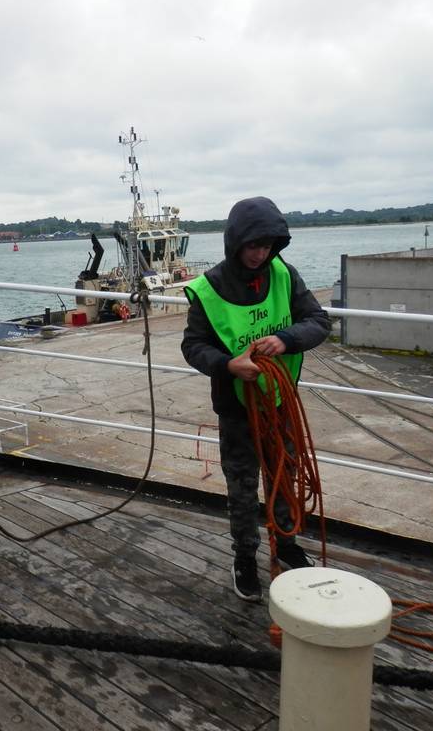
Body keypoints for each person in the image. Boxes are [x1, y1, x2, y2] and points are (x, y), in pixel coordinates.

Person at [182, 196, 331, 602]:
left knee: (284, 476)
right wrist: (229, 365)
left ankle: (285, 546)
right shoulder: (209, 288)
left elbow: (318, 321)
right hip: (237, 410)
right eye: (252, 246)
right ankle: (245, 557)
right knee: (243, 488)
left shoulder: (283, 274)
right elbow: (192, 346)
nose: (259, 254)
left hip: (280, 404)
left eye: (267, 246)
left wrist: (286, 339)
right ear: (235, 243)